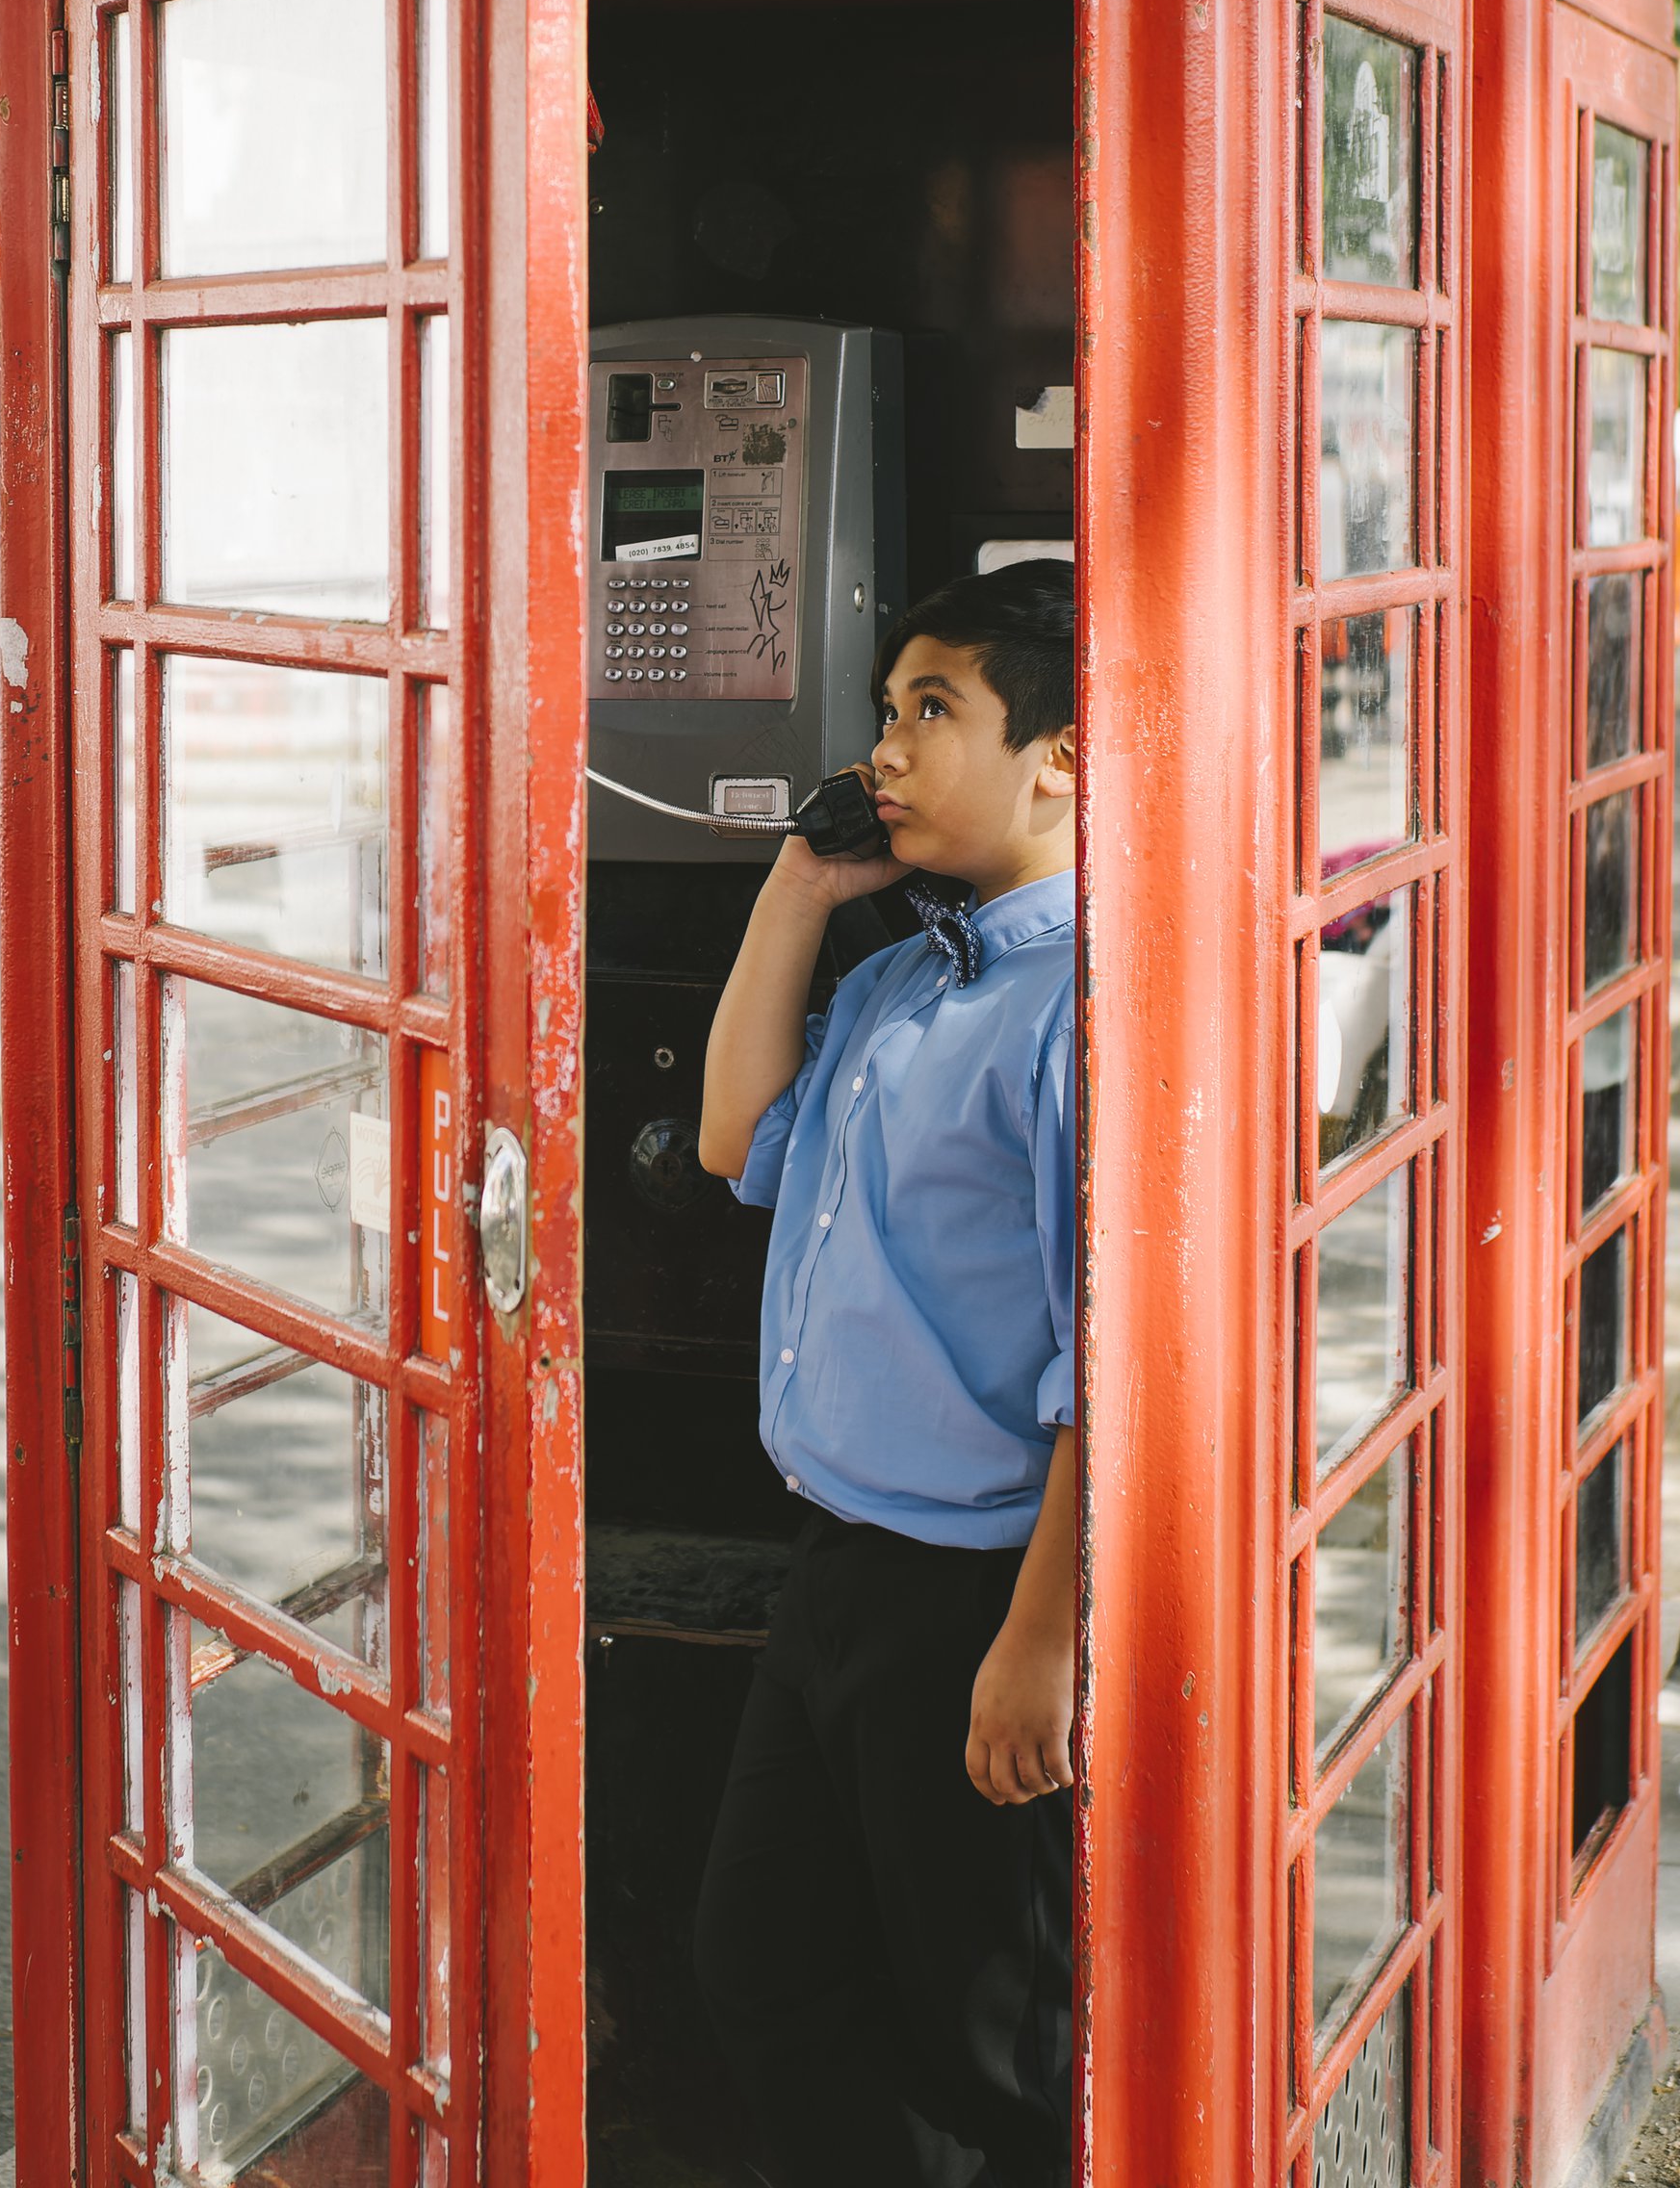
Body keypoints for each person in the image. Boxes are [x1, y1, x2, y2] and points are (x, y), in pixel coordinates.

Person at [694, 557, 1077, 2188]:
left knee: (988, 2041)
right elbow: (733, 1142)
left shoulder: (1079, 1014)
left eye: (934, 711)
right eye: (884, 711)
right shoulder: (906, 973)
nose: (887, 752)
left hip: (979, 1596)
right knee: (762, 1966)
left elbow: (1108, 1366)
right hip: (837, 1565)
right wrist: (797, 892)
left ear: (1060, 759)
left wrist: (1041, 1641)